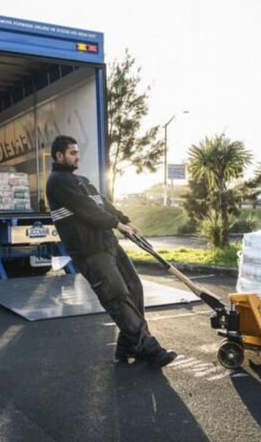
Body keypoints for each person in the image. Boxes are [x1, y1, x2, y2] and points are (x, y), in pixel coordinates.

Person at [46, 135, 177, 367]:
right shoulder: (57, 182)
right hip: (90, 251)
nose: (77, 156)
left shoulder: (83, 181)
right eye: (72, 153)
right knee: (117, 296)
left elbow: (103, 205)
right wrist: (116, 224)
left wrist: (125, 221)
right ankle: (149, 348)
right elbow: (87, 210)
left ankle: (127, 346)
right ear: (59, 156)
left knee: (134, 287)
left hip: (108, 245)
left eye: (77, 152)